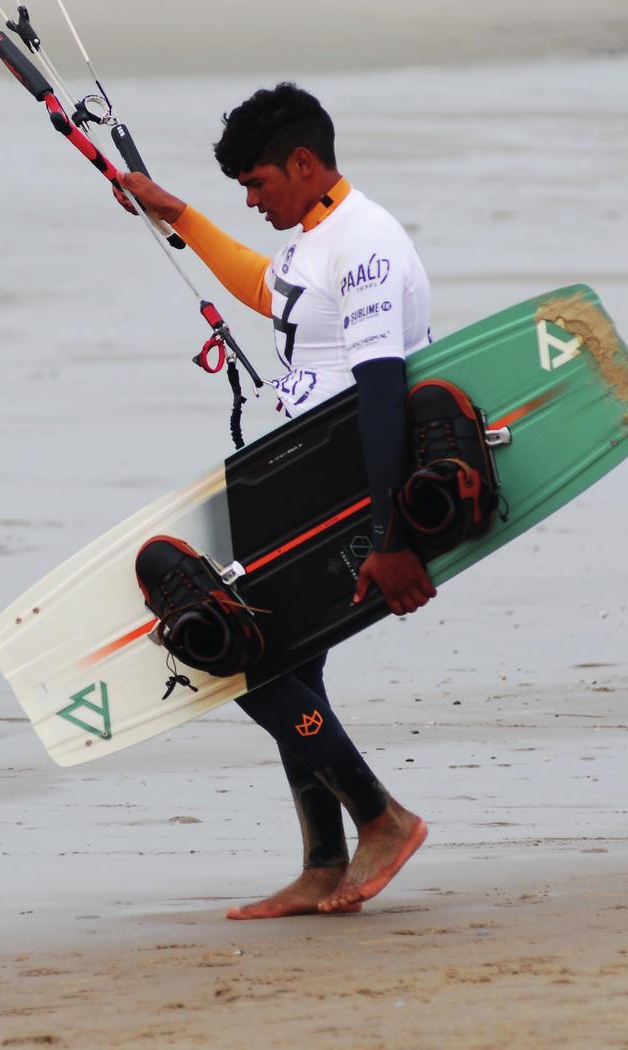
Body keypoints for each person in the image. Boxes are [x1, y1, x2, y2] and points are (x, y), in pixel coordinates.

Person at [115, 83, 437, 917]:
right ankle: (325, 863)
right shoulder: (315, 238)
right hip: (299, 479)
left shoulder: (364, 242)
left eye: (257, 184)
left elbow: (381, 392)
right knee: (292, 660)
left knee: (247, 656)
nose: (253, 203)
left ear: (303, 162)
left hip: (347, 494)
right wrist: (177, 212)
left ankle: (382, 820)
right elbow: (269, 290)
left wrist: (389, 535)